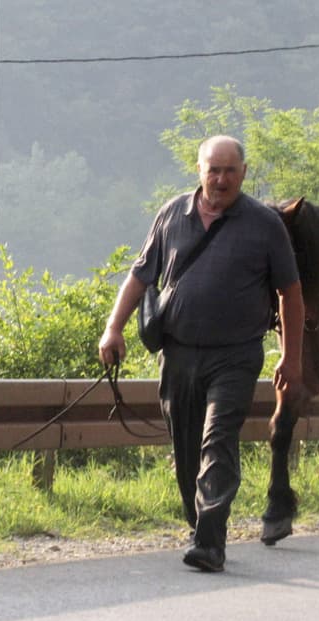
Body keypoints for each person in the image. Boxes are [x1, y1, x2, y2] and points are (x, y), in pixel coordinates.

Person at [97, 136, 304, 572]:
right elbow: (139, 276)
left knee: (217, 440)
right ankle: (199, 527)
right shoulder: (172, 214)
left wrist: (292, 356)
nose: (221, 179)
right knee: (187, 446)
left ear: (244, 173)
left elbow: (290, 294)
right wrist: (114, 328)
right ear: (200, 171)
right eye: (214, 170)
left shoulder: (265, 224)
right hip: (178, 354)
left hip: (236, 356)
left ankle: (211, 542)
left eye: (230, 170)